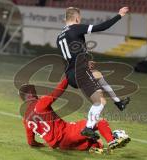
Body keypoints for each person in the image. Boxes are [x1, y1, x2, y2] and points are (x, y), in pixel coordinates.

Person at [56, 7, 130, 139]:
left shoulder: (60, 36)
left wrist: (84, 62)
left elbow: (69, 57)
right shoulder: (76, 28)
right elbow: (101, 27)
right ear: (77, 18)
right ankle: (88, 127)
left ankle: (119, 102)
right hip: (80, 73)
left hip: (71, 74)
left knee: (98, 75)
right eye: (80, 18)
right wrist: (119, 15)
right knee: (100, 101)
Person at [19, 78, 130, 153]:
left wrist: (44, 145)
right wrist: (68, 76)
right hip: (67, 133)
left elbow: (31, 142)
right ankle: (112, 141)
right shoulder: (40, 104)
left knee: (94, 143)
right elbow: (57, 92)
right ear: (33, 93)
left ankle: (94, 147)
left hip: (62, 146)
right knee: (99, 121)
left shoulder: (26, 119)